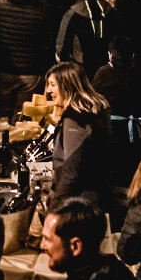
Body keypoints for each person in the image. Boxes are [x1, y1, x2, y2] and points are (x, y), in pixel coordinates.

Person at [0, 0, 60, 118]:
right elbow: (49, 42)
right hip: (31, 72)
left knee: (1, 116)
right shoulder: (43, 8)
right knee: (24, 117)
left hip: (3, 70)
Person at [45, 62, 113, 203]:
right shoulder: (97, 106)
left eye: (52, 85)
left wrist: (57, 202)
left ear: (67, 85)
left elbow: (71, 170)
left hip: (79, 200)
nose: (48, 91)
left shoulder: (75, 118)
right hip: (101, 190)